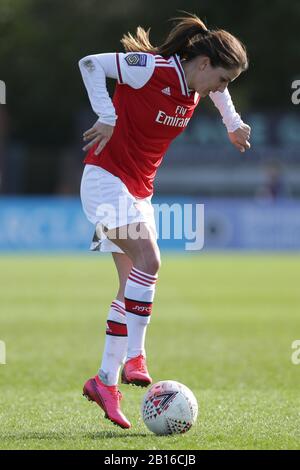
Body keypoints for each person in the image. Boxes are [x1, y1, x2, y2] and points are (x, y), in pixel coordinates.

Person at [79, 12, 251, 429]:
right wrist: (107, 114)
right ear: (205, 64)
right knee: (150, 261)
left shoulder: (195, 86)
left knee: (130, 285)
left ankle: (105, 381)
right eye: (223, 79)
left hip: (137, 192)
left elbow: (219, 97)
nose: (222, 90)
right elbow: (90, 63)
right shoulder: (151, 69)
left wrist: (233, 124)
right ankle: (136, 356)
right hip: (104, 180)